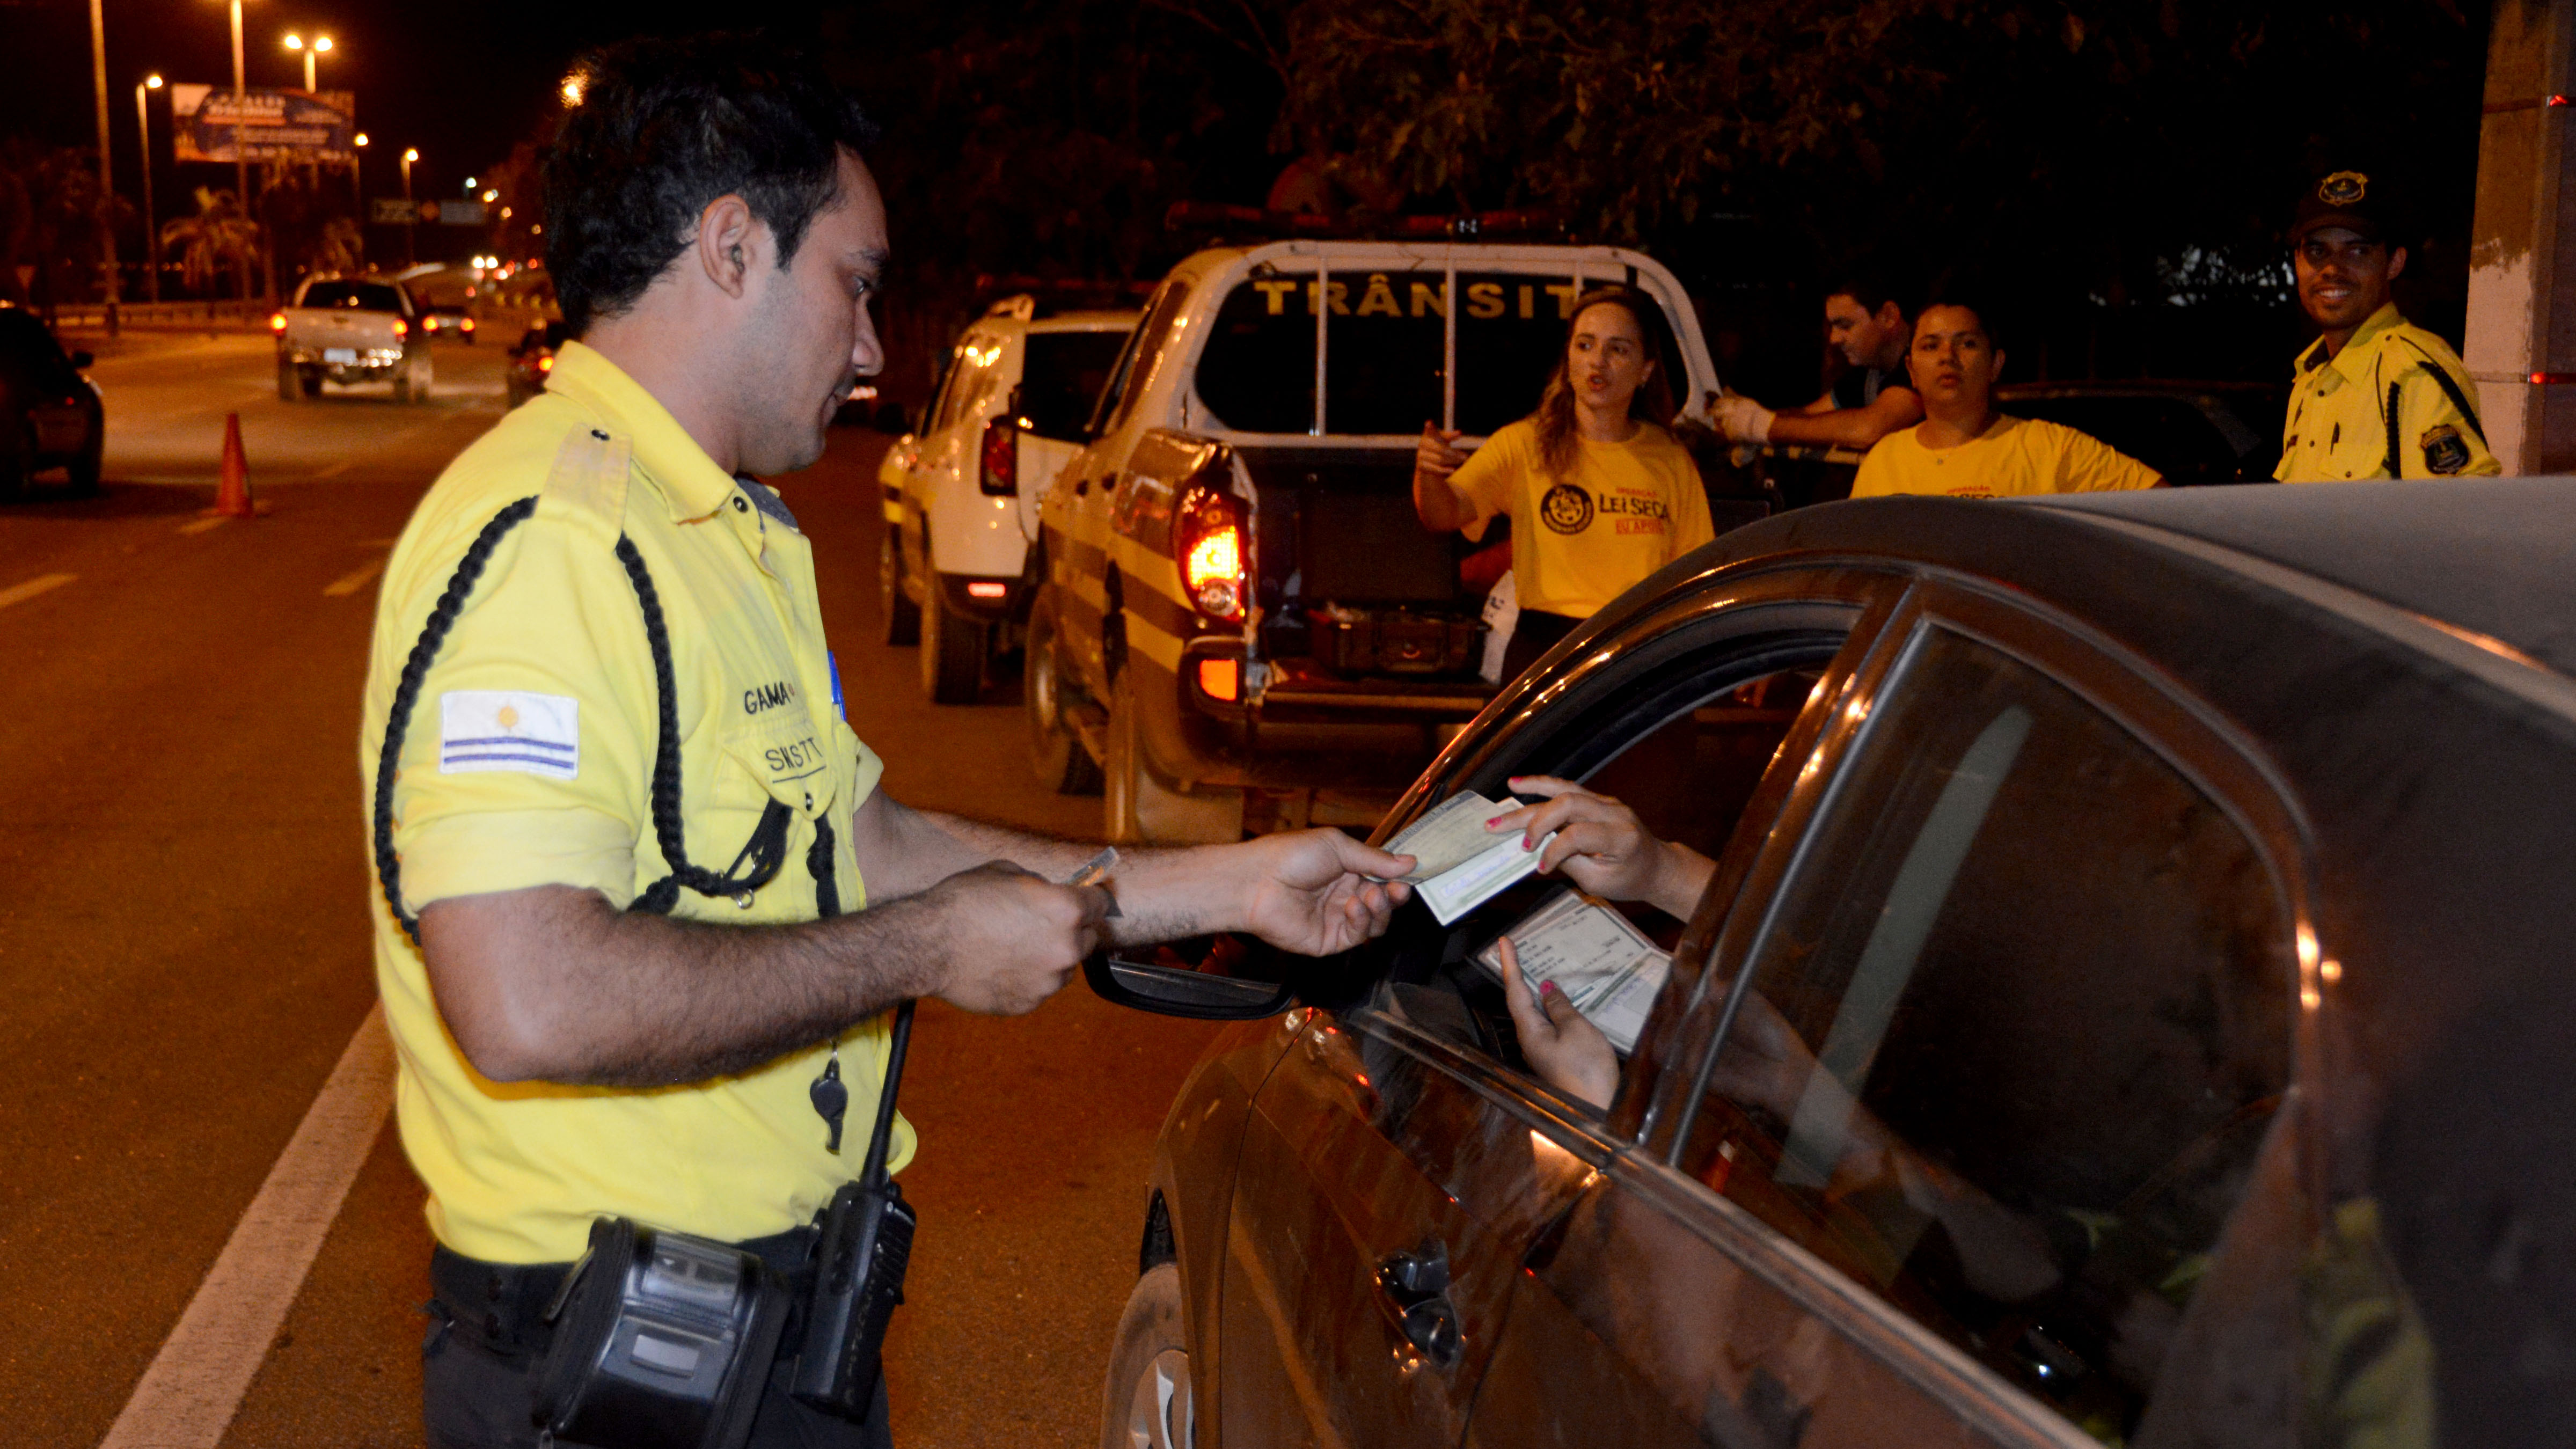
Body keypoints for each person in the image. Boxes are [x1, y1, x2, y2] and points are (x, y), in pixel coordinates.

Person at [361, 36, 1412, 1449]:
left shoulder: (727, 534)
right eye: (856, 284)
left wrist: (1225, 885)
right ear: (733, 248)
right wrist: (926, 950)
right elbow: (527, 994)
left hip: (775, 1332)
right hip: (613, 1362)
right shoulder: (554, 542)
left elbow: (864, 842)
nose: (870, 346)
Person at [1413, 286, 1718, 680]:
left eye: (1618, 350)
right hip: (1546, 651)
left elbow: (1699, 577)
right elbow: (1443, 514)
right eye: (1585, 345)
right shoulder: (1524, 444)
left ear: (1645, 370)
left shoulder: (1671, 459)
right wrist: (1428, 470)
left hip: (1640, 651)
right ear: (1568, 358)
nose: (1599, 362)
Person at [2275, 169, 2499, 482]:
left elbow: (2462, 514)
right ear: (2297, 262)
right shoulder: (2309, 379)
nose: (2331, 268)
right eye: (2316, 250)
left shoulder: (2411, 373)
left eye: (2357, 251)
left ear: (2395, 263)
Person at [1853, 299, 2163, 497]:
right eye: (1931, 346)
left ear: (1995, 365)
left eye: (1968, 344)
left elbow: (2162, 504)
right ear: (1911, 370)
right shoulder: (1884, 460)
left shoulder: (2051, 450)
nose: (1948, 357)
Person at [1710, 277, 1924, 451]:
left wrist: (1759, 426)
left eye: (1845, 326)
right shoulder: (1869, 373)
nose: (1834, 338)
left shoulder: (1924, 363)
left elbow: (1867, 428)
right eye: (1832, 327)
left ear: (1888, 316)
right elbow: (1810, 416)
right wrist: (1733, 421)